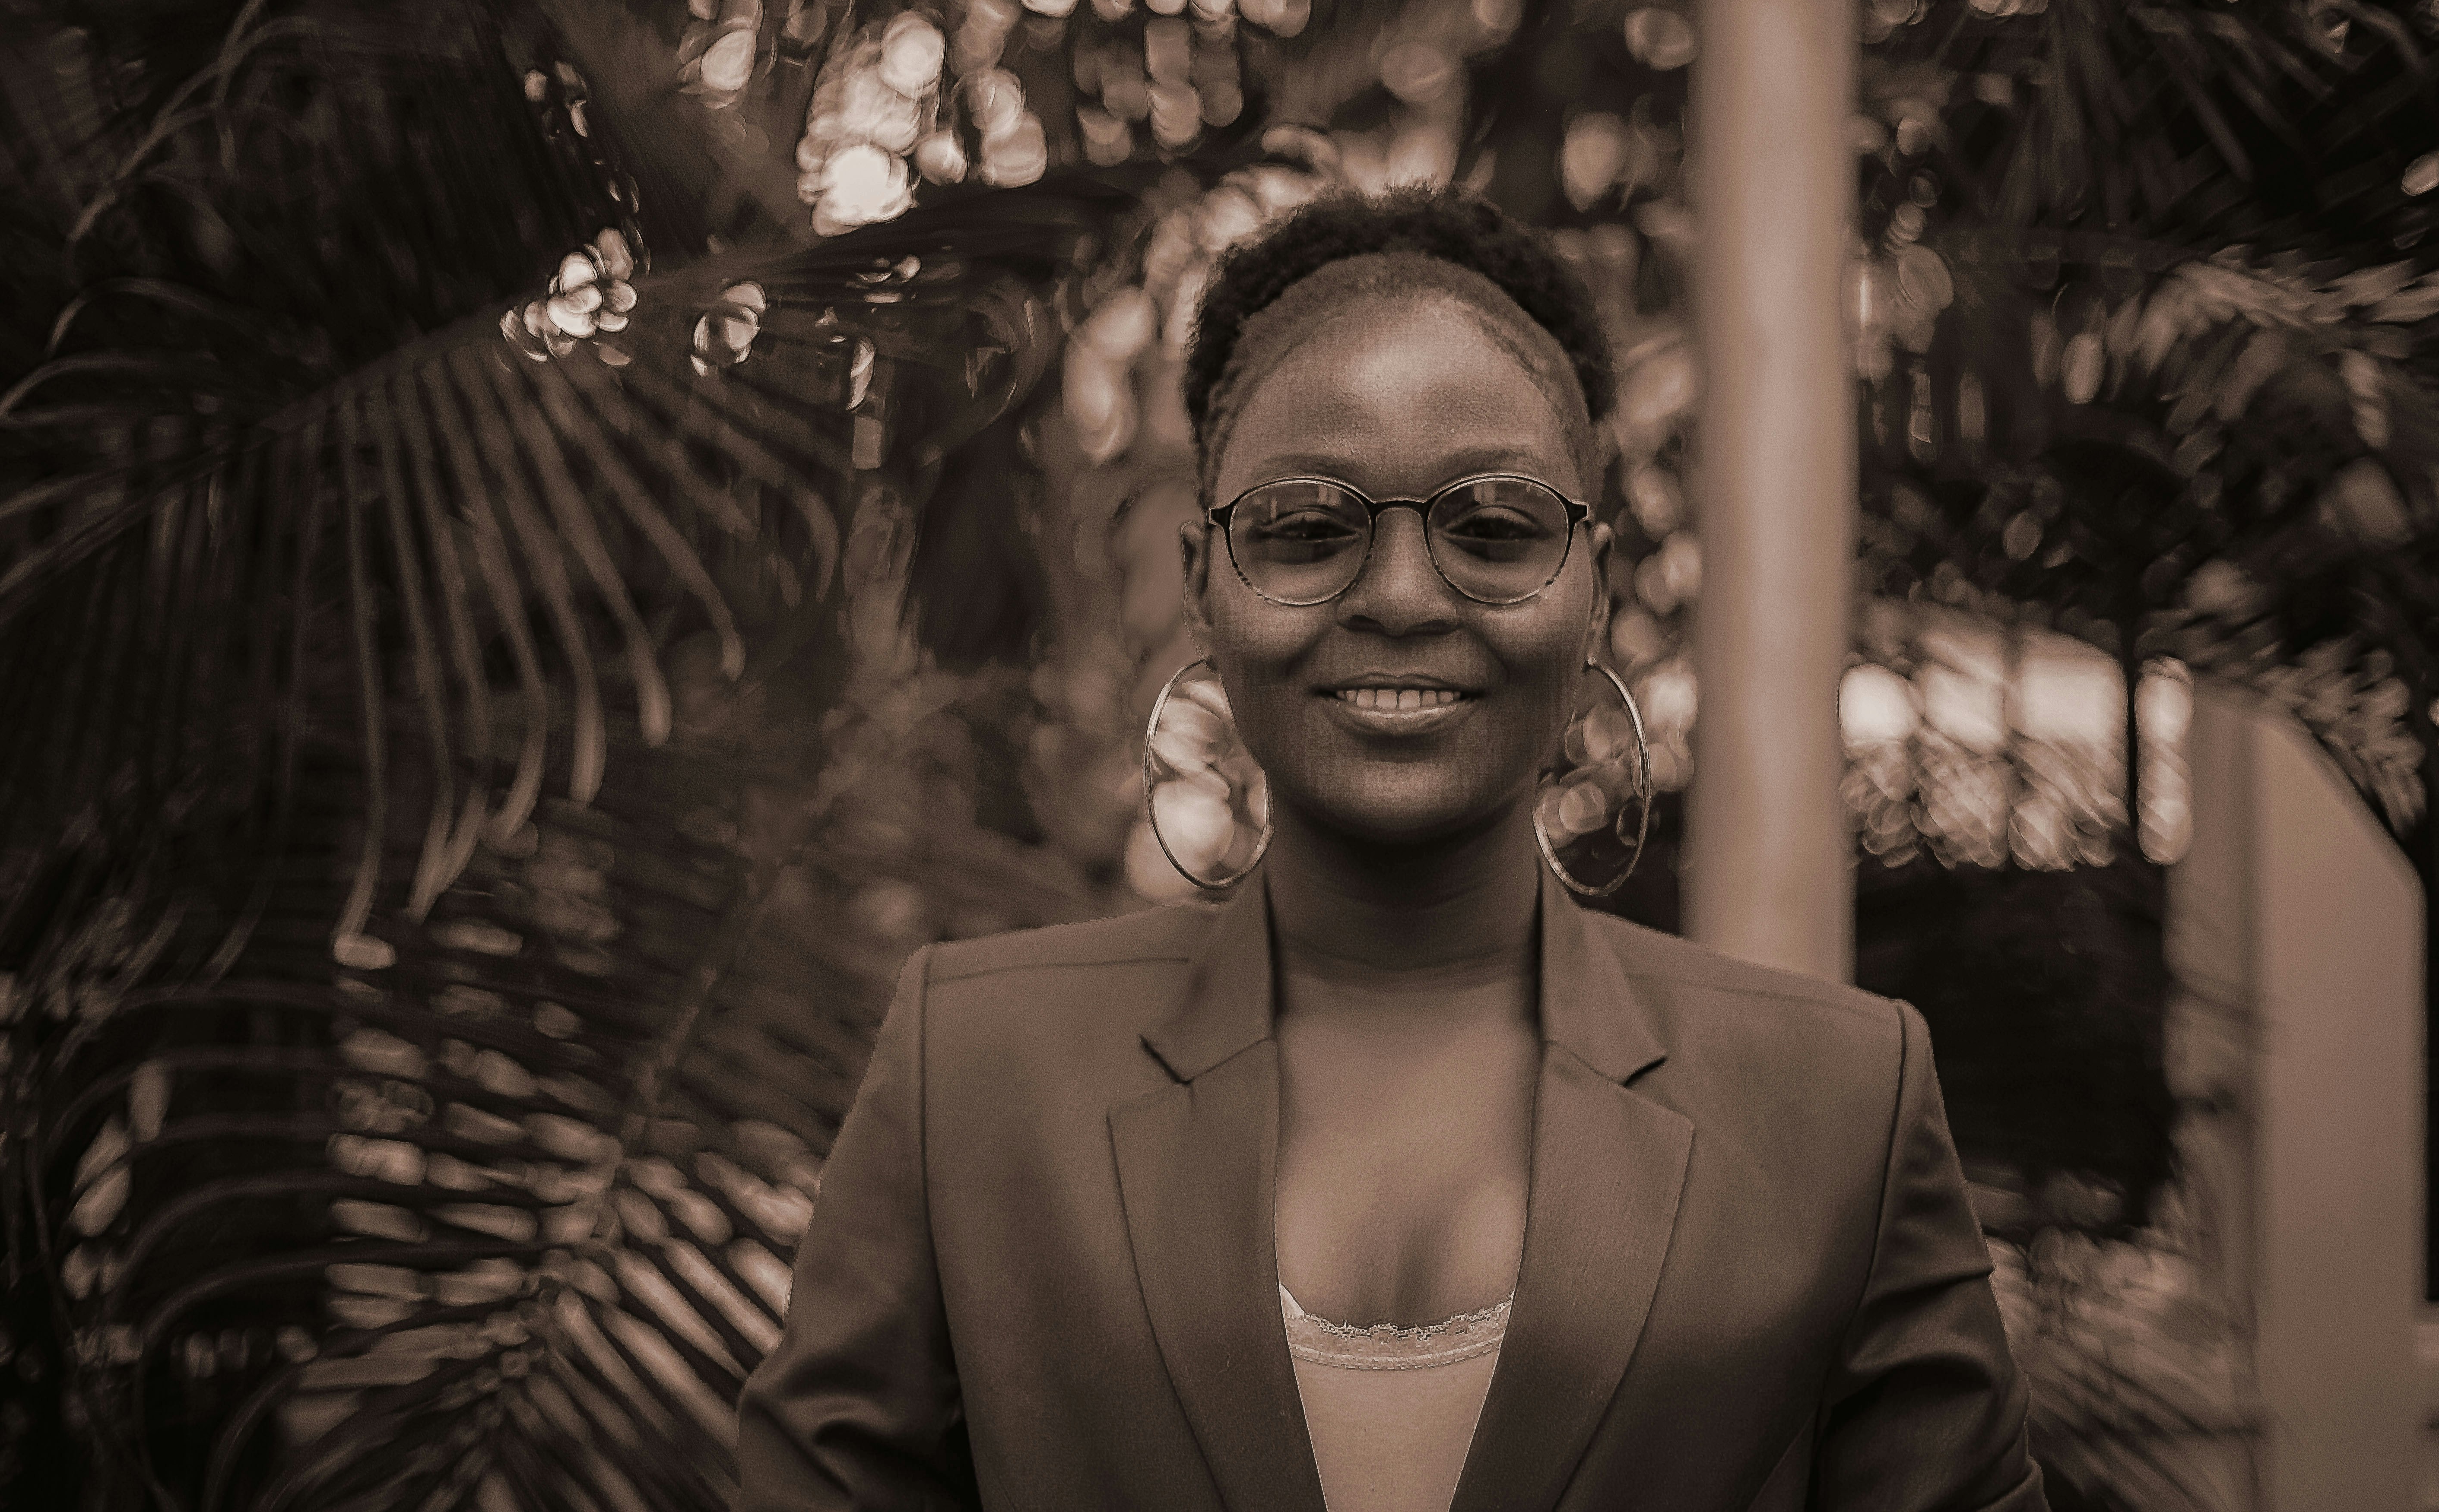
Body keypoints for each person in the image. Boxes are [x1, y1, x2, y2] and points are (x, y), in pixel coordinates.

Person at [734, 185, 2046, 1512]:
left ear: (1595, 583)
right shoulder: (970, 1076)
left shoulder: (1841, 1104)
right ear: (1203, 583)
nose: (1405, 597)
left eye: (1494, 527)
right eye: (1307, 528)